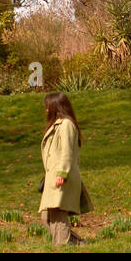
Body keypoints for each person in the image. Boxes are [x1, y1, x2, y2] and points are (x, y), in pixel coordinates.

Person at [38, 92, 93, 245]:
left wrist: (62, 174)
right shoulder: (58, 124)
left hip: (62, 176)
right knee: (46, 216)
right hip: (54, 176)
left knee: (57, 214)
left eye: (48, 107)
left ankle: (63, 246)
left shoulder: (66, 125)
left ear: (56, 106)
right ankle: (78, 244)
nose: (46, 110)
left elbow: (67, 152)